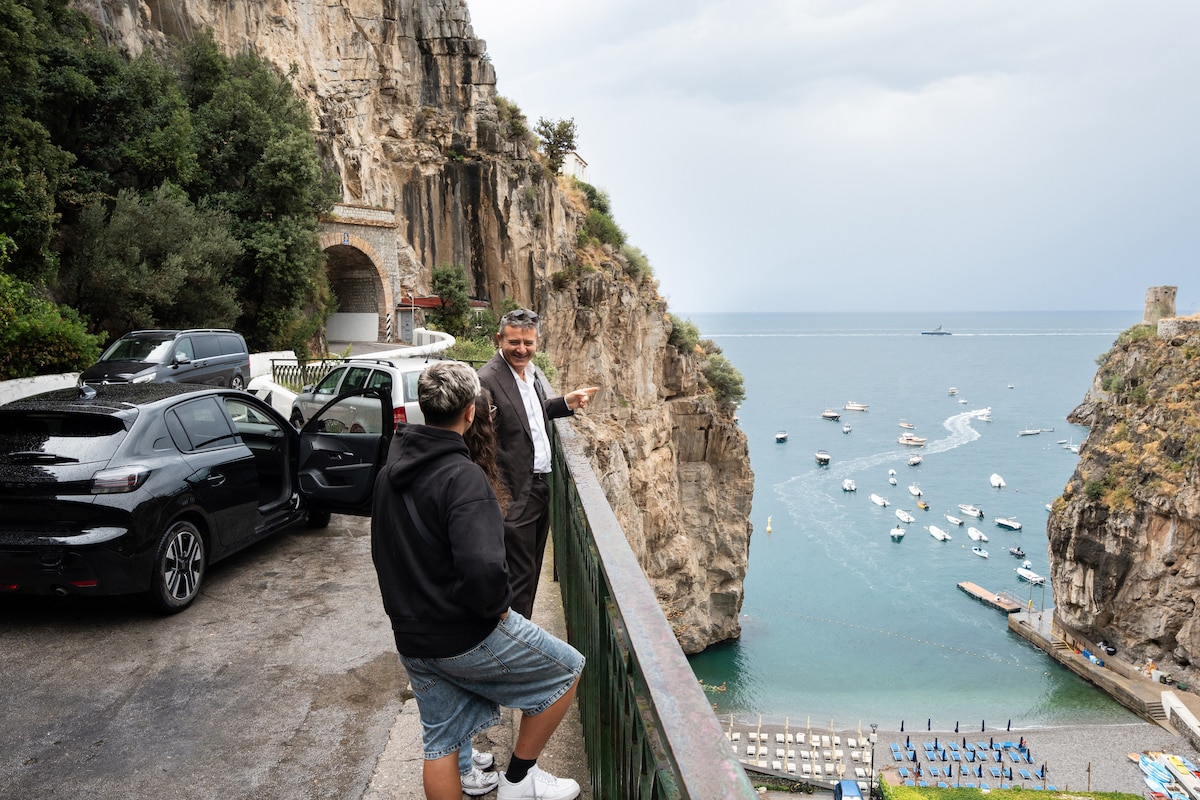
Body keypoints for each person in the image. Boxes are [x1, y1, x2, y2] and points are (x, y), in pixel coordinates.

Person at [371, 361, 585, 800]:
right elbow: (485, 570)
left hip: (412, 635)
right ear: (471, 413)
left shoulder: (389, 471)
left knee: (441, 743)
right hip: (462, 633)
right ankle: (520, 780)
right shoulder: (463, 477)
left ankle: (504, 778)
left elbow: (382, 550)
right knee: (566, 670)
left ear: (423, 409)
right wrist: (499, 609)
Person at [478, 308, 598, 618]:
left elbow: (526, 415)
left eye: (528, 343)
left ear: (537, 342)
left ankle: (521, 637)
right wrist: (501, 498)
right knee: (519, 578)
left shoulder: (528, 373)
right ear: (499, 339)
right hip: (515, 494)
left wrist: (564, 404)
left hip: (539, 487)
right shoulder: (488, 379)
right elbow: (480, 444)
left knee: (530, 572)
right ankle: (516, 646)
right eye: (514, 342)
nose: (521, 349)